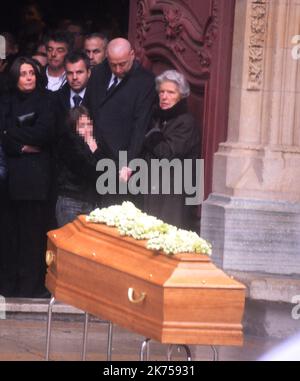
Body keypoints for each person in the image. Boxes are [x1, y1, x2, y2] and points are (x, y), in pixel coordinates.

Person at [0, 57, 55, 297]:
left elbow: (44, 133)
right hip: (9, 180)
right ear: (15, 77)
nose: (28, 77)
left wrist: (13, 133)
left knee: (33, 236)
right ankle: (9, 285)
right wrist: (22, 145)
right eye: (23, 74)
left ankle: (31, 287)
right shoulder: (5, 101)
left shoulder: (48, 100)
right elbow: (2, 134)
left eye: (31, 73)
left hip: (36, 181)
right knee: (10, 236)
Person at [84, 37, 156, 207]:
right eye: (113, 64)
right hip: (93, 156)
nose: (117, 69)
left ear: (132, 55)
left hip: (120, 162)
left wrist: (129, 163)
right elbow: (87, 107)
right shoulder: (99, 72)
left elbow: (141, 125)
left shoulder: (145, 81)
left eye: (122, 64)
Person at [143, 70, 200, 231]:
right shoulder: (159, 118)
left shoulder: (186, 122)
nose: (164, 96)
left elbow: (168, 153)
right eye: (161, 92)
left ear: (180, 95)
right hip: (151, 189)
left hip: (172, 196)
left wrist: (151, 135)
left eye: (170, 92)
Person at [56, 106, 101, 227]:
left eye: (89, 124)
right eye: (82, 125)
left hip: (90, 202)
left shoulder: (94, 144)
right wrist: (93, 150)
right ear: (73, 127)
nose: (87, 129)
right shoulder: (68, 143)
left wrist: (95, 150)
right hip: (71, 202)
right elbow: (89, 170)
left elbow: (103, 171)